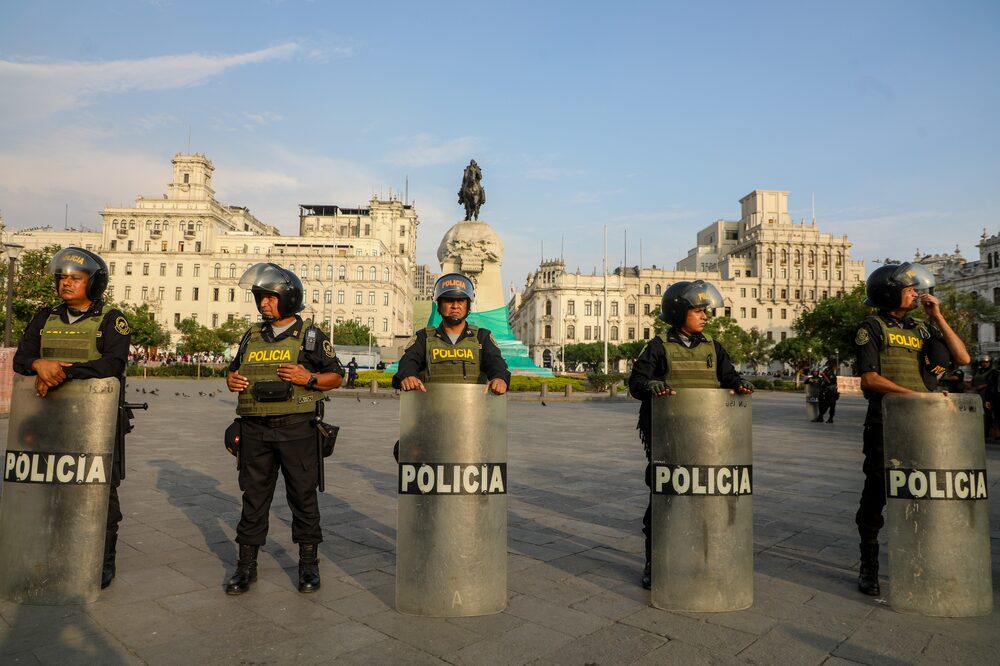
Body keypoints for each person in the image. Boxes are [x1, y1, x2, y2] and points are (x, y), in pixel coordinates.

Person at [12, 247, 132, 589]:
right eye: (62, 277)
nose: (66, 283)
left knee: (102, 493)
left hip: (97, 423)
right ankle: (52, 556)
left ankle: (103, 561)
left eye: (75, 279)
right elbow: (22, 359)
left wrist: (62, 372)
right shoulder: (44, 318)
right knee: (49, 491)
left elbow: (113, 364)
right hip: (48, 419)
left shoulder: (111, 320)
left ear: (93, 283)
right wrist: (38, 364)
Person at [225, 263, 343, 595]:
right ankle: (245, 567)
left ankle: (308, 565)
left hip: (297, 429)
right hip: (255, 429)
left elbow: (336, 376)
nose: (263, 304)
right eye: (260, 298)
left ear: (288, 298)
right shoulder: (251, 336)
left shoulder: (311, 336)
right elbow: (234, 371)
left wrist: (310, 378)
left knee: (303, 497)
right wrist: (231, 380)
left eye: (270, 297)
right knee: (253, 498)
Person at [627, 280, 753, 590]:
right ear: (678, 312)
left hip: (706, 437)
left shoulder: (713, 346)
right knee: (664, 499)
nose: (705, 316)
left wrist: (738, 384)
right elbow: (636, 382)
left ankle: (703, 560)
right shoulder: (658, 346)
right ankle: (655, 562)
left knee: (705, 502)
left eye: (704, 311)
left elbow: (729, 376)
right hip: (667, 437)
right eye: (698, 311)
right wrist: (651, 385)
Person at [853, 262, 969, 596]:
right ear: (890, 293)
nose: (916, 294)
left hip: (922, 423)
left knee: (923, 491)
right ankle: (869, 565)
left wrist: (938, 317)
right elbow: (870, 379)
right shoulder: (871, 327)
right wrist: (917, 396)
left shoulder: (922, 328)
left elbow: (961, 358)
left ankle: (919, 561)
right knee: (876, 493)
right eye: (908, 290)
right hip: (885, 420)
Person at [391, 272, 510, 394]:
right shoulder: (424, 337)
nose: (455, 306)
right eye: (449, 301)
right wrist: (409, 375)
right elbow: (409, 361)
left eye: (461, 301)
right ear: (439, 305)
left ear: (468, 305)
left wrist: (499, 378)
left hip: (472, 405)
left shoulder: (482, 337)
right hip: (431, 404)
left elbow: (496, 362)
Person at [971, 356, 997, 440]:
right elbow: (972, 381)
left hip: (987, 395)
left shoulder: (993, 372)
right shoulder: (977, 371)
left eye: (987, 362)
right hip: (976, 393)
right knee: (975, 412)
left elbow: (992, 383)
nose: (985, 364)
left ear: (990, 363)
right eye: (983, 362)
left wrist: (983, 386)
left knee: (986, 414)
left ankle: (986, 432)